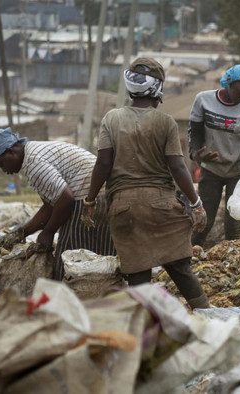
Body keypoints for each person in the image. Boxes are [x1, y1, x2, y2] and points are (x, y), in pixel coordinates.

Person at [81, 57, 209, 309]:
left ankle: (145, 327)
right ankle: (210, 318)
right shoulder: (165, 122)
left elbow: (103, 164)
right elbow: (178, 167)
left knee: (138, 275)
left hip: (123, 208)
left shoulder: (111, 119)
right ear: (157, 89)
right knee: (179, 268)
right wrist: (196, 203)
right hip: (162, 205)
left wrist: (90, 200)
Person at [0, 127, 115, 280]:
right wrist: (22, 232)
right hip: (100, 196)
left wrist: (48, 232)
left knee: (68, 263)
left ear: (10, 152)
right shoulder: (33, 153)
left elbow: (65, 200)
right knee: (95, 261)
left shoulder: (33, 163)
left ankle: (73, 299)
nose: (4, 170)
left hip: (91, 201)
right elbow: (50, 206)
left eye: (2, 164)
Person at [188, 64, 240, 247]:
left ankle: (232, 260)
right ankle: (188, 255)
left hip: (237, 173)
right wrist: (196, 154)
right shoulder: (203, 100)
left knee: (234, 223)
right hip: (211, 170)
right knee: (205, 221)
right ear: (228, 83)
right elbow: (194, 132)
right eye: (239, 92)